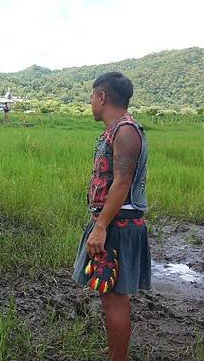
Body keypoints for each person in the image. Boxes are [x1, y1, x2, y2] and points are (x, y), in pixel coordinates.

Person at [72, 72, 150, 361]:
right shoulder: (117, 130)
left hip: (118, 224)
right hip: (112, 222)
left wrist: (101, 226)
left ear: (102, 97)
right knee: (110, 294)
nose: (91, 102)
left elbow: (122, 182)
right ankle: (117, 350)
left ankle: (119, 358)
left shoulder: (126, 131)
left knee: (115, 299)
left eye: (92, 96)